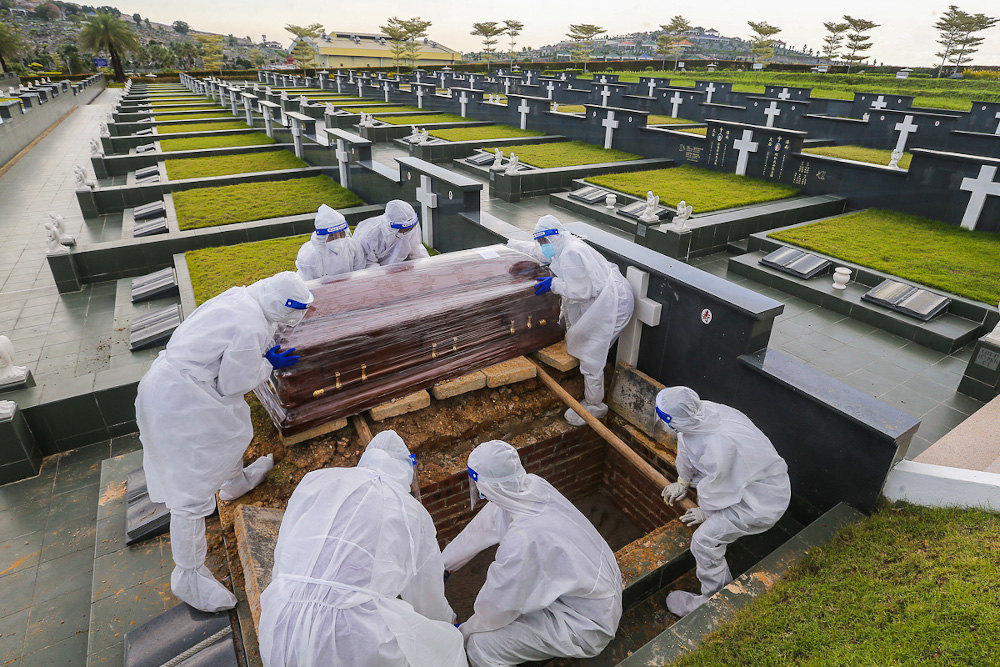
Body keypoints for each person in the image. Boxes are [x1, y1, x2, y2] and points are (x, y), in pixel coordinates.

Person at [135, 271, 313, 612]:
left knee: (234, 431)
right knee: (190, 491)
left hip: (179, 384)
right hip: (179, 401)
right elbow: (234, 381)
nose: (295, 320)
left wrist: (261, 353)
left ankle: (234, 483)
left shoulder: (243, 295)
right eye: (294, 312)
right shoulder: (250, 325)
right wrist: (267, 363)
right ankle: (189, 577)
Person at [259, 431, 467, 667]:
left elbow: (285, 546)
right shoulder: (409, 511)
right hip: (351, 637)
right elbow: (425, 590)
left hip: (279, 622)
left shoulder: (316, 480)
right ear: (404, 470)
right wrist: (445, 623)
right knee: (445, 648)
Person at [442, 441, 622, 667]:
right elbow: (489, 520)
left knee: (481, 646)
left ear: (488, 486)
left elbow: (499, 606)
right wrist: (445, 563)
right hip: (594, 590)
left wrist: (465, 631)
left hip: (587, 624)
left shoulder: (524, 539)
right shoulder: (532, 487)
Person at [656, 386, 791, 617]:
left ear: (674, 420)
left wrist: (705, 512)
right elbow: (687, 446)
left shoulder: (720, 445)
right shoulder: (701, 414)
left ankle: (714, 601)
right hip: (743, 479)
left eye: (667, 421)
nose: (668, 427)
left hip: (760, 500)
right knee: (706, 483)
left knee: (703, 541)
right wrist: (683, 481)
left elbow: (720, 487)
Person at [507, 216, 634, 425]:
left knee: (591, 353)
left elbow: (581, 291)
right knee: (580, 337)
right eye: (541, 242)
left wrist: (554, 284)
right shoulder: (559, 245)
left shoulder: (571, 252)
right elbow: (539, 251)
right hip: (604, 295)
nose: (542, 246)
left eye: (544, 241)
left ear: (554, 237)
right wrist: (510, 246)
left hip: (613, 304)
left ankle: (595, 405)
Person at [295, 204, 366, 280]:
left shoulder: (354, 246)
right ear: (322, 238)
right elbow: (313, 286)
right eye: (332, 236)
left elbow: (359, 274)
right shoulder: (310, 257)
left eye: (342, 234)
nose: (339, 239)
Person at [353, 199, 430, 266]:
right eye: (405, 229)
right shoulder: (369, 236)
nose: (409, 231)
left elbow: (416, 250)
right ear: (392, 227)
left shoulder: (410, 228)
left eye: (411, 227)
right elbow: (367, 264)